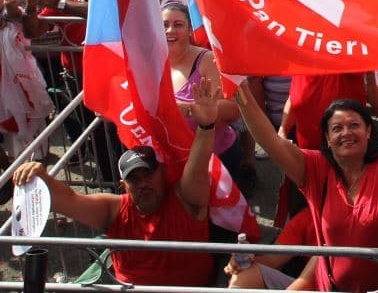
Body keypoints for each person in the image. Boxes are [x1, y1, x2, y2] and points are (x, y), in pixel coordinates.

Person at [11, 78, 221, 286]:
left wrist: (206, 126)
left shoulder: (185, 200)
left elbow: (199, 168)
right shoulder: (114, 210)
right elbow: (67, 200)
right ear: (123, 186)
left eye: (148, 174)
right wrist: (39, 176)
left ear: (163, 174)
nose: (143, 183)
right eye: (134, 178)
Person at [237, 86, 378, 293]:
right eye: (337, 128)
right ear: (327, 138)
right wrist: (238, 87)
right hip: (333, 289)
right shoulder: (315, 170)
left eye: (354, 125)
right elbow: (270, 141)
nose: (346, 133)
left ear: (369, 131)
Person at [163, 1, 243, 175]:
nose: (170, 30)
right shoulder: (153, 62)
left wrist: (189, 109)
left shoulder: (207, 61)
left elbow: (233, 110)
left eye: (178, 25)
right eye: (164, 25)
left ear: (190, 30)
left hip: (215, 158)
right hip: (175, 158)